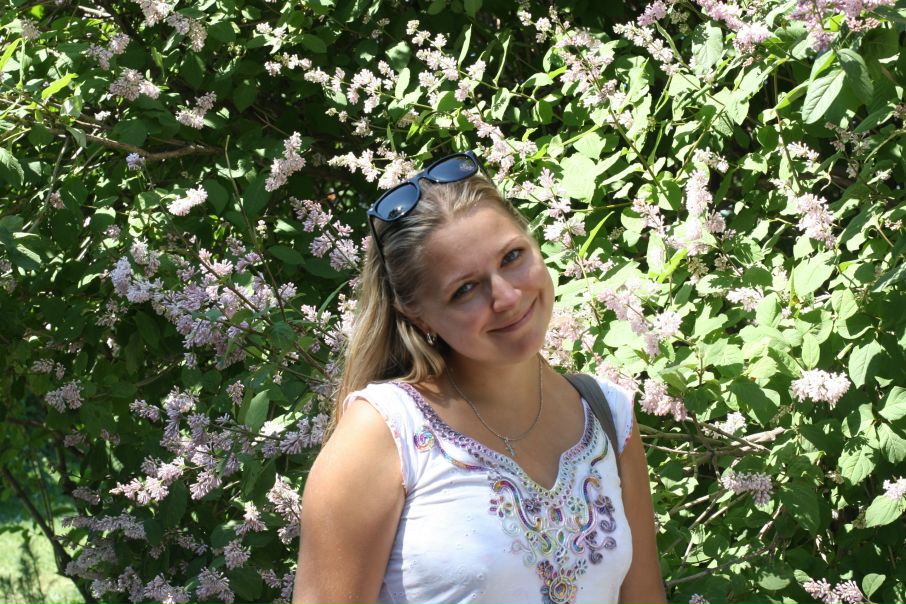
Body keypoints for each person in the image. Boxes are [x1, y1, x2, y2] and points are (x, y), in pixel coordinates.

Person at [292, 150, 667, 604]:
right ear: (418, 315)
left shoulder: (608, 415)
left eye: (512, 257)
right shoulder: (385, 433)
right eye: (465, 289)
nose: (506, 297)